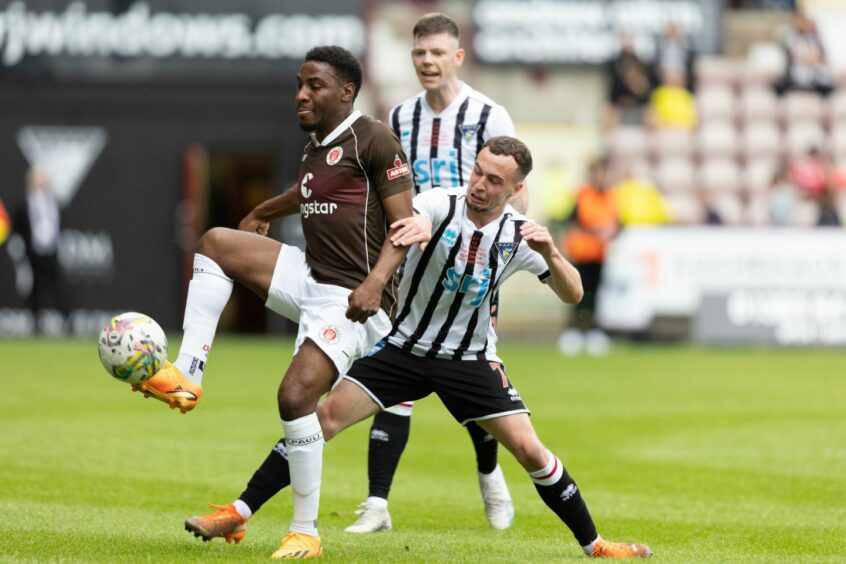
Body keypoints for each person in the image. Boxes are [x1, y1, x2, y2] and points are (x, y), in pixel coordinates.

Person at [183, 136, 653, 559]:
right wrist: (391, 260)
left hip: (469, 361)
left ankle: (595, 545)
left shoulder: (518, 236)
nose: (480, 185)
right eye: (477, 172)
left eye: (494, 180)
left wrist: (551, 252)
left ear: (514, 190)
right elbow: (404, 227)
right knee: (321, 418)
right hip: (401, 348)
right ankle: (238, 513)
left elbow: (573, 293)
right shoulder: (438, 204)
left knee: (531, 451)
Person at [132, 46, 420, 559]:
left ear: (346, 91)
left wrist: (377, 283)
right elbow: (310, 190)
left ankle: (305, 531)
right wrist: (263, 208)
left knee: (294, 398)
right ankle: (187, 374)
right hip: (312, 275)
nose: (301, 95)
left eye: (315, 85)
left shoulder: (374, 138)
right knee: (217, 242)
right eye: (299, 84)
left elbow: (405, 225)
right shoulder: (315, 145)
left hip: (355, 298)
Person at [346, 12, 523, 534]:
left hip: (469, 267)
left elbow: (517, 186)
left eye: (437, 53)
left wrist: (502, 253)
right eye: (420, 53)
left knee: (472, 370)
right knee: (396, 365)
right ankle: (378, 504)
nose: (427, 61)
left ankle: (489, 473)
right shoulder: (400, 116)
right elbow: (390, 185)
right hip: (412, 263)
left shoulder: (490, 114)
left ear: (457, 57)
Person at [558, 159, 620, 357]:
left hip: (600, 254)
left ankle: (593, 331)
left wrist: (612, 232)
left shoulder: (612, 197)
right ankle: (574, 331)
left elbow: (619, 223)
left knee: (595, 295)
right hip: (581, 253)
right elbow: (570, 222)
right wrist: (596, 231)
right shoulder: (582, 196)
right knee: (577, 294)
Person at [12, 166, 67, 332]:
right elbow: (18, 229)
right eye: (36, 178)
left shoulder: (53, 202)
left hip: (51, 252)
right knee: (34, 290)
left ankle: (68, 322)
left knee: (58, 287)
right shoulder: (24, 203)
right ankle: (36, 325)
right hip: (32, 253)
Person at [774, 11, 833, 97]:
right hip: (796, 72)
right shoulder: (792, 38)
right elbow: (793, 55)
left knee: (825, 83)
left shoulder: (815, 39)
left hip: (813, 72)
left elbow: (820, 57)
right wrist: (807, 57)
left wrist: (810, 58)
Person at [605, 30, 654, 128]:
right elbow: (612, 91)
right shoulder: (613, 64)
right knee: (608, 112)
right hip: (620, 104)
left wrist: (636, 98)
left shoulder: (640, 62)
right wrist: (622, 101)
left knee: (651, 115)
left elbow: (646, 92)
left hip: (639, 104)